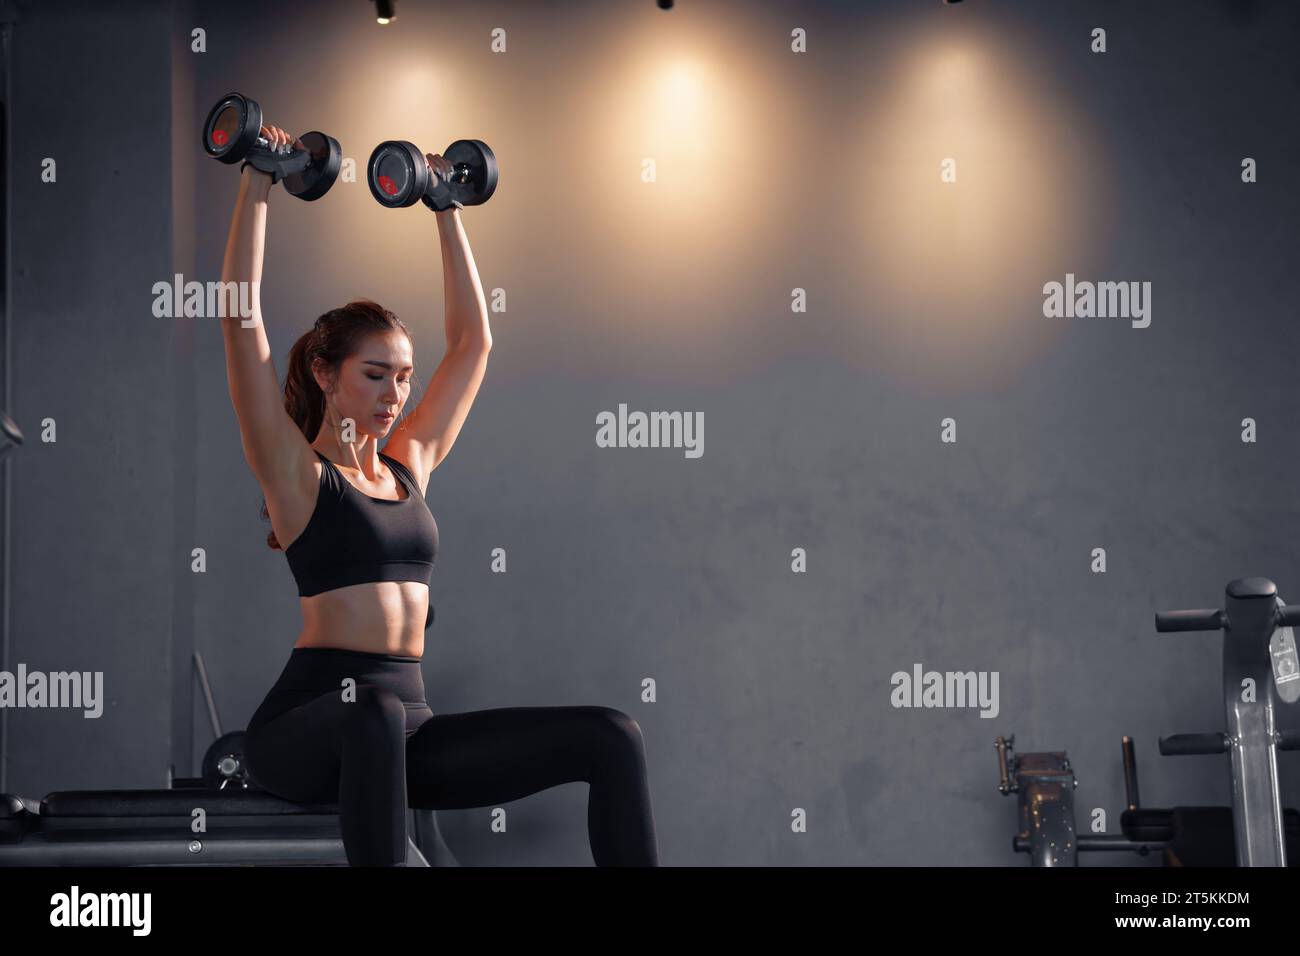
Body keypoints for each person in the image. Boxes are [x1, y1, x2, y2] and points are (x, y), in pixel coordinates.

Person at [221, 124, 659, 866]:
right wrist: (256, 183)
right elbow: (239, 323)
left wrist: (445, 206)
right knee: (374, 711)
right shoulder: (296, 476)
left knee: (610, 735)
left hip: (408, 731)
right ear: (326, 375)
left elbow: (472, 347)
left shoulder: (407, 464)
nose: (396, 393)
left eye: (402, 376)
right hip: (310, 728)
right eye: (374, 374)